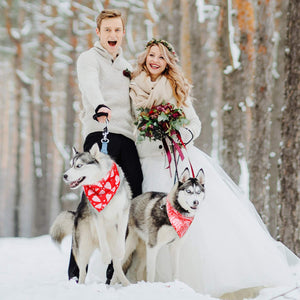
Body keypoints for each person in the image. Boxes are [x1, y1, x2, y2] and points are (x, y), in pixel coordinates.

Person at [129, 38, 299, 299]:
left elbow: (195, 124)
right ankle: (150, 280)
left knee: (198, 223)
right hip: (150, 161)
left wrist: (179, 135)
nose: (155, 60)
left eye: (161, 57)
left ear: (168, 63)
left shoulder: (176, 87)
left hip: (181, 161)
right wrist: (151, 133)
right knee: (154, 223)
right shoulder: (133, 86)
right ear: (145, 57)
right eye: (152, 55)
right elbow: (132, 125)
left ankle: (194, 280)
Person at [68, 9, 143, 281]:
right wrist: (99, 105)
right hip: (100, 133)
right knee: (92, 201)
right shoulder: (88, 59)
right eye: (107, 30)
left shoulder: (127, 65)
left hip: (127, 136)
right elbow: (89, 85)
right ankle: (77, 270)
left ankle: (115, 270)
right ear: (98, 33)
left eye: (117, 30)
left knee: (132, 193)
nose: (113, 34)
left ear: (123, 33)